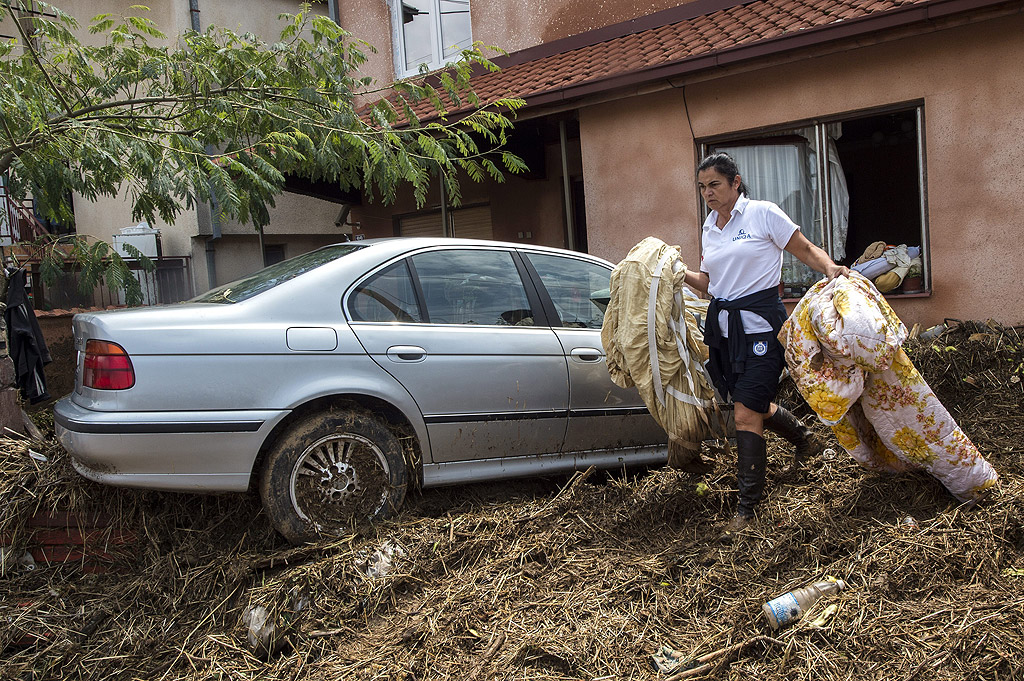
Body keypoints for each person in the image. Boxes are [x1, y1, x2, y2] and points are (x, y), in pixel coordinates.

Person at [682, 152, 850, 532]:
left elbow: (804, 248)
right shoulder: (710, 227)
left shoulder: (762, 213)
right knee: (752, 403)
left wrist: (830, 268)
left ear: (735, 183)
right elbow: (711, 283)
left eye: (715, 184)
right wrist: (678, 273)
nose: (708, 193)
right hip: (725, 331)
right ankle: (805, 439)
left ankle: (747, 511)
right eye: (702, 187)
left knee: (745, 412)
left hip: (761, 328)